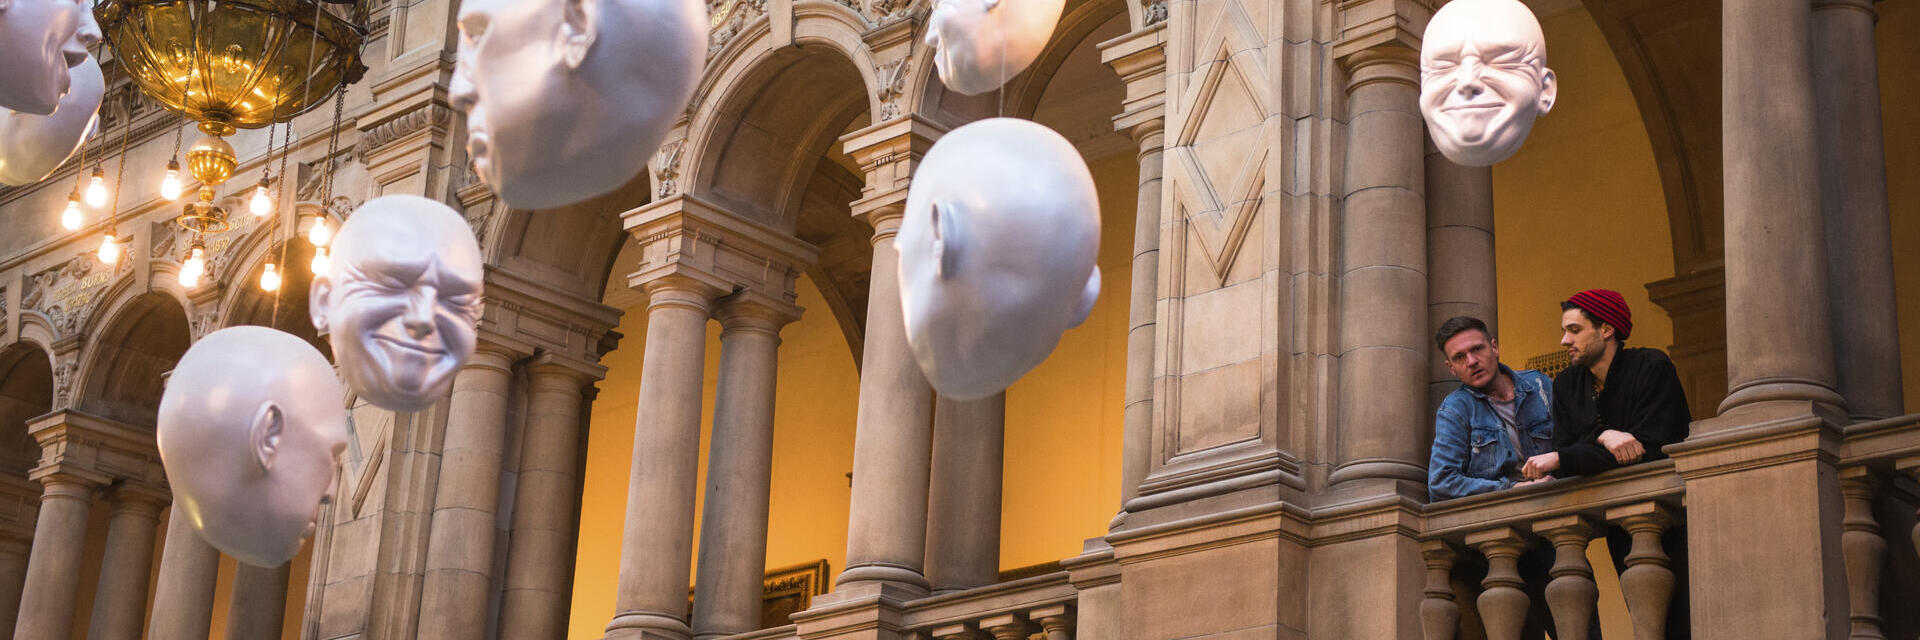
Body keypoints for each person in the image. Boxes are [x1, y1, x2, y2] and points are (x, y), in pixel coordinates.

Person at [1523, 288, 1691, 638]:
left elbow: (1650, 446)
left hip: (1672, 515)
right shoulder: (1568, 383)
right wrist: (1603, 436)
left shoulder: (1651, 366)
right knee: (1647, 619)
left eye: (1574, 329)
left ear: (1606, 329)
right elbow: (1568, 449)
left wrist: (1564, 456)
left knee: (1682, 619)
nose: (1564, 339)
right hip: (1619, 519)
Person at [1429, 315, 1555, 500]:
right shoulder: (1455, 410)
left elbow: (1574, 445)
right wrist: (1514, 488)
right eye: (1459, 357)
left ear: (1494, 347)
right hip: (1504, 512)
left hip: (1560, 499)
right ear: (1451, 369)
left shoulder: (1539, 385)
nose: (1471, 361)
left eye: (1477, 349)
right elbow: (1442, 482)